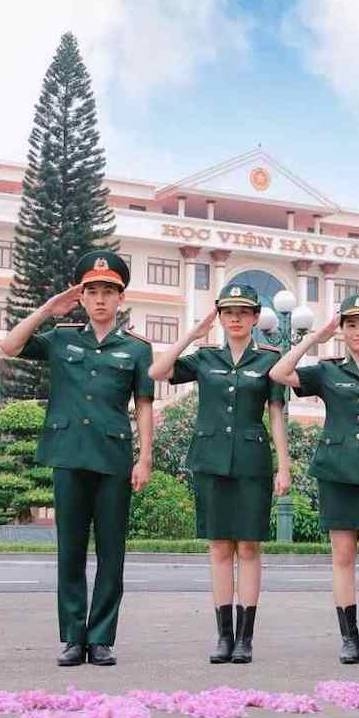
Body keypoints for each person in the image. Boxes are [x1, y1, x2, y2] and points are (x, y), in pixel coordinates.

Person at [0, 250, 154, 667]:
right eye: (93, 291)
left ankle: (101, 638)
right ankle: (72, 637)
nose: (101, 299)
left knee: (111, 552)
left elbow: (143, 405)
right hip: (68, 454)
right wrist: (48, 309)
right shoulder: (61, 338)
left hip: (113, 458)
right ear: (81, 297)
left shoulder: (137, 349)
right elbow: (9, 346)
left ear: (121, 298)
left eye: (108, 292)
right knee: (70, 550)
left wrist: (145, 458)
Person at [148, 284, 291, 664]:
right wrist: (191, 335)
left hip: (252, 461)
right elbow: (157, 371)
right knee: (219, 548)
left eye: (243, 312)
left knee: (249, 547)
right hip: (210, 459)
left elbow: (276, 412)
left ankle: (245, 638)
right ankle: (224, 637)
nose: (236, 319)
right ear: (220, 317)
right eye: (229, 312)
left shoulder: (269, 360)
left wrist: (284, 465)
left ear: (255, 318)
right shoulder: (205, 357)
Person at [270, 294, 359, 664]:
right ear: (343, 331)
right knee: (343, 555)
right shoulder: (328, 370)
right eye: (351, 325)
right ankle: (349, 639)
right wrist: (314, 339)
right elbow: (279, 373)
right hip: (336, 471)